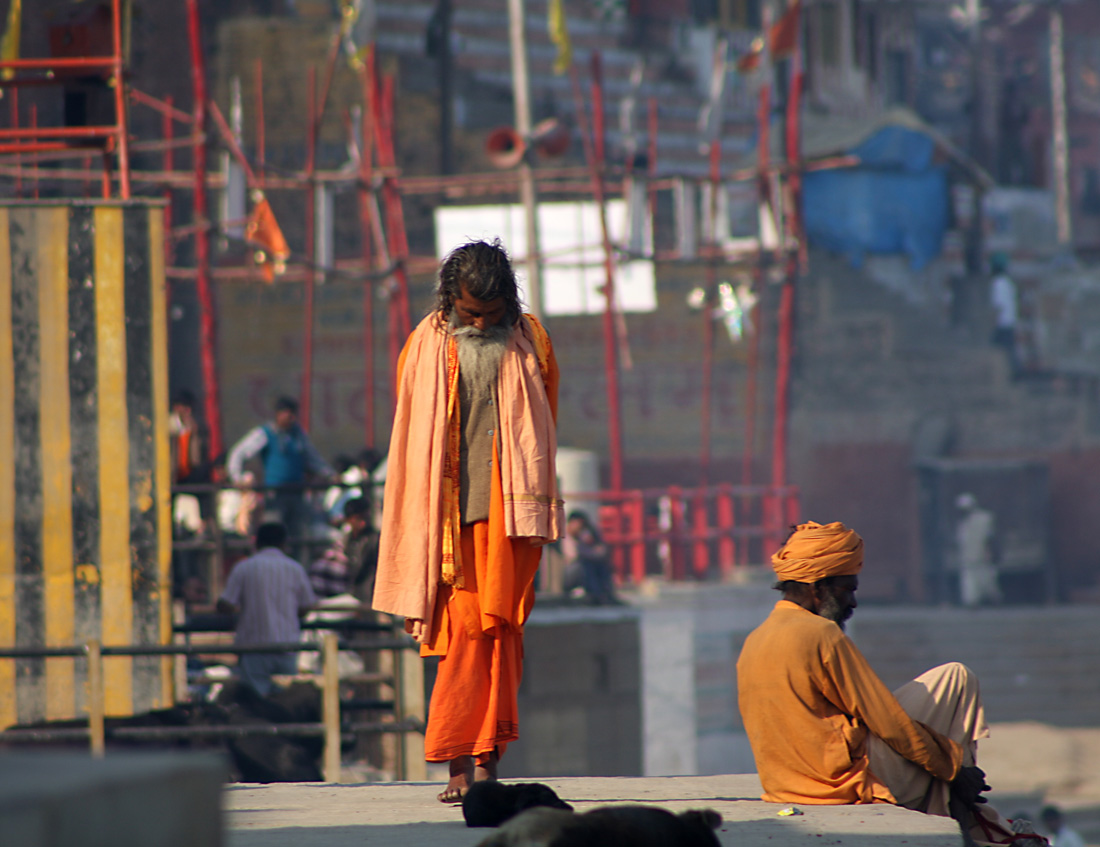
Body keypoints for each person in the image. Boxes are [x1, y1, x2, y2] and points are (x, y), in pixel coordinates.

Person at [373, 239, 562, 803]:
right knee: (461, 639)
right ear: (449, 301)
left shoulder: (532, 342)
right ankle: (459, 761)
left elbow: (546, 422)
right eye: (468, 313)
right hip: (447, 523)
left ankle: (487, 761)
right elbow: (410, 432)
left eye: (490, 314)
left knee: (501, 634)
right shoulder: (423, 346)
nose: (479, 324)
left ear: (509, 302)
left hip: (506, 520)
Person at [737, 520, 1021, 846]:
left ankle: (962, 816)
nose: (853, 603)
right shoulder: (820, 634)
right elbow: (888, 722)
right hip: (841, 784)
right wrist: (954, 768)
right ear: (817, 587)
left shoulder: (756, 639)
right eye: (848, 589)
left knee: (931, 730)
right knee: (957, 678)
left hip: (784, 786)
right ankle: (968, 823)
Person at [216, 521, 317, 696]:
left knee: (255, 702)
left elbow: (226, 604)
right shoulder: (295, 568)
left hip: (253, 646)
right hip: (287, 646)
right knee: (285, 700)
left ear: (257, 542)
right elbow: (307, 606)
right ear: (284, 543)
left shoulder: (244, 568)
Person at [226, 396, 334, 539]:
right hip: (274, 494)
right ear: (278, 414)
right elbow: (239, 453)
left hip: (296, 493)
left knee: (298, 534)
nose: (290, 418)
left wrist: (330, 474)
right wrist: (237, 477)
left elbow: (313, 458)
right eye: (286, 413)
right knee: (274, 531)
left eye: (292, 414)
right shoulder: (266, 434)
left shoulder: (298, 435)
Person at [309, 496, 379, 601]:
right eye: (358, 518)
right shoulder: (346, 539)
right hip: (348, 594)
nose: (363, 522)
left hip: (368, 594)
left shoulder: (373, 540)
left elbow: (357, 569)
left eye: (365, 517)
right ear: (349, 519)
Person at [562, 511, 620, 606]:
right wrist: (589, 548)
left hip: (585, 566)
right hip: (569, 572)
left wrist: (590, 544)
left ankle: (607, 594)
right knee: (586, 566)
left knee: (602, 565)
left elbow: (602, 551)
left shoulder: (587, 536)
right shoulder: (566, 537)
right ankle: (596, 594)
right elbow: (574, 555)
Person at [956, 493, 1002, 607]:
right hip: (968, 557)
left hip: (983, 556)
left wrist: (990, 552)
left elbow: (991, 537)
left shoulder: (984, 519)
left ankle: (994, 598)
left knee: (987, 581)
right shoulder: (962, 523)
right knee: (969, 581)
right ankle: (972, 601)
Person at [990, 252, 1020, 378]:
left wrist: (992, 324)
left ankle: (1013, 374)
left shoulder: (998, 283)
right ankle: (1014, 373)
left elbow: (998, 306)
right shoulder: (1009, 283)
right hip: (1010, 322)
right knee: (1010, 351)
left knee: (1001, 352)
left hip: (1002, 324)